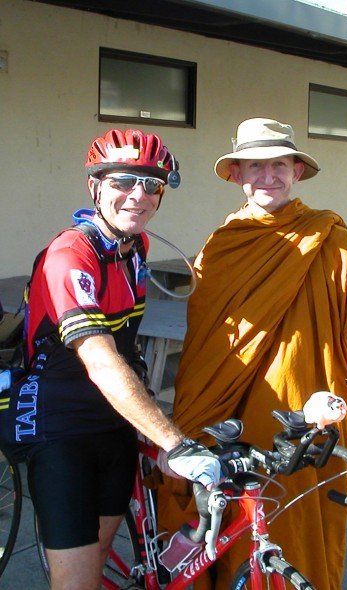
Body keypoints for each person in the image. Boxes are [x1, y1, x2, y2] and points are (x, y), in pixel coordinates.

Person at [157, 118, 347, 590]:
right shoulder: (221, 247)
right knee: (225, 523)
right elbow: (207, 343)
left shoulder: (334, 241)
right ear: (236, 175)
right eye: (255, 166)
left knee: (302, 528)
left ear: (297, 171)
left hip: (308, 415)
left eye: (278, 165)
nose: (267, 176)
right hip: (231, 413)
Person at [0, 129, 222, 590]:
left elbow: (127, 346)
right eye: (123, 181)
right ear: (95, 186)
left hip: (113, 420)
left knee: (100, 556)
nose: (138, 196)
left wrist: (146, 425)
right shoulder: (69, 255)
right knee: (77, 582)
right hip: (60, 426)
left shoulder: (134, 248)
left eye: (153, 184)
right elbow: (100, 359)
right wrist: (172, 442)